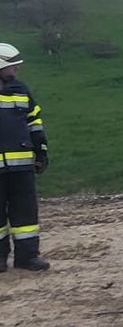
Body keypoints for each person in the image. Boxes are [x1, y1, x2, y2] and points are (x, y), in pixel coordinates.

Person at [0, 43, 50, 271]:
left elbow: (34, 120)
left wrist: (41, 149)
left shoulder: (21, 89)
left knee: (26, 213)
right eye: (13, 67)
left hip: (21, 167)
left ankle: (28, 256)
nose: (16, 71)